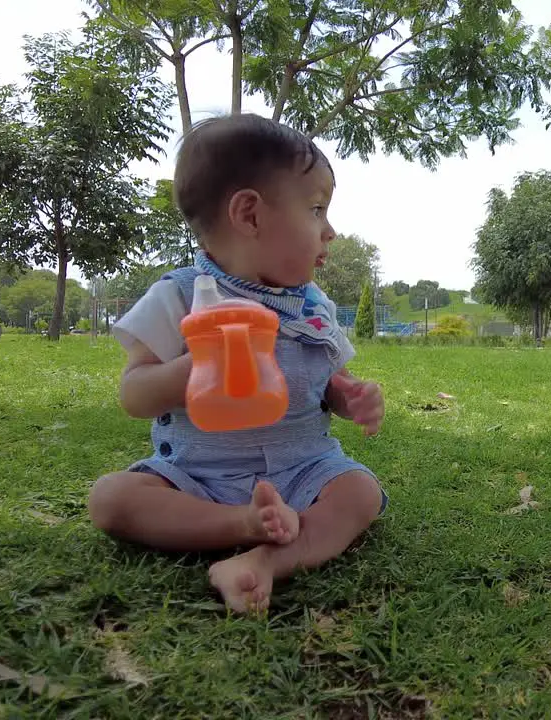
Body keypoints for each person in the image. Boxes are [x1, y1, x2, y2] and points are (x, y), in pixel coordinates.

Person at [87, 114, 387, 614]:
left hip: (302, 472)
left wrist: (350, 397)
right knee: (111, 499)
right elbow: (133, 394)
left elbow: (327, 382)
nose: (329, 231)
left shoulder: (314, 306)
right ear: (249, 215)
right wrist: (193, 368)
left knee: (360, 492)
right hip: (198, 479)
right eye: (316, 209)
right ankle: (241, 526)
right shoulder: (179, 296)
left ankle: (263, 561)